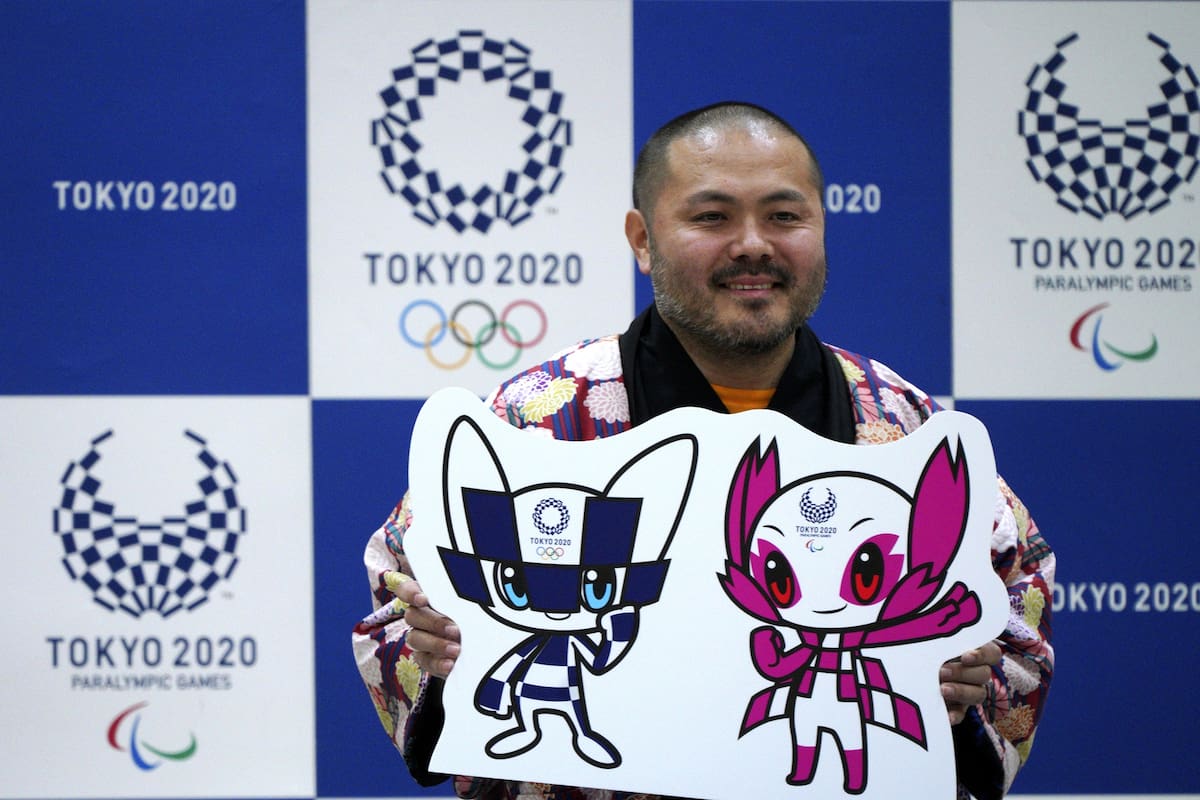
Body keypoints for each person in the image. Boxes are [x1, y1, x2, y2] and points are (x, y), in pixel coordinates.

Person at [352, 101, 1055, 800]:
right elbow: (400, 591)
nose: (753, 245)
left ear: (821, 227)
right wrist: (442, 646)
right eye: (712, 217)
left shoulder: (900, 422)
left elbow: (1014, 591)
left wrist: (964, 681)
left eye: (784, 216)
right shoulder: (538, 417)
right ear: (643, 239)